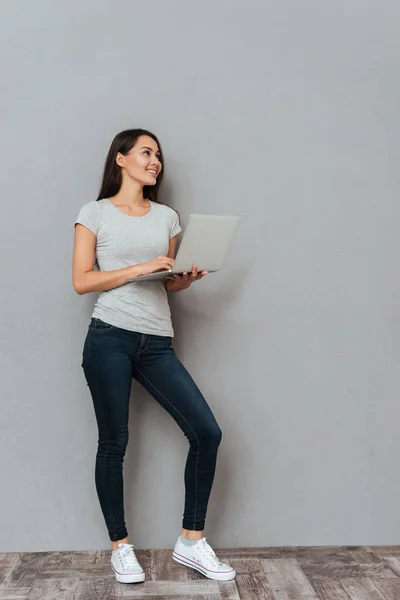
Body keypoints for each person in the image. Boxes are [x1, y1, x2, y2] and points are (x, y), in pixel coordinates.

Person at [72, 129, 236, 584]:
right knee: (114, 444)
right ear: (121, 159)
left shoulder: (166, 217)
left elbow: (165, 282)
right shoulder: (95, 212)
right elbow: (82, 281)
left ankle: (190, 541)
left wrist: (186, 278)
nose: (155, 160)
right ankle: (120, 547)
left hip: (156, 341)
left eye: (158, 155)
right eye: (146, 152)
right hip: (109, 337)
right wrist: (139, 267)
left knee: (207, 432)